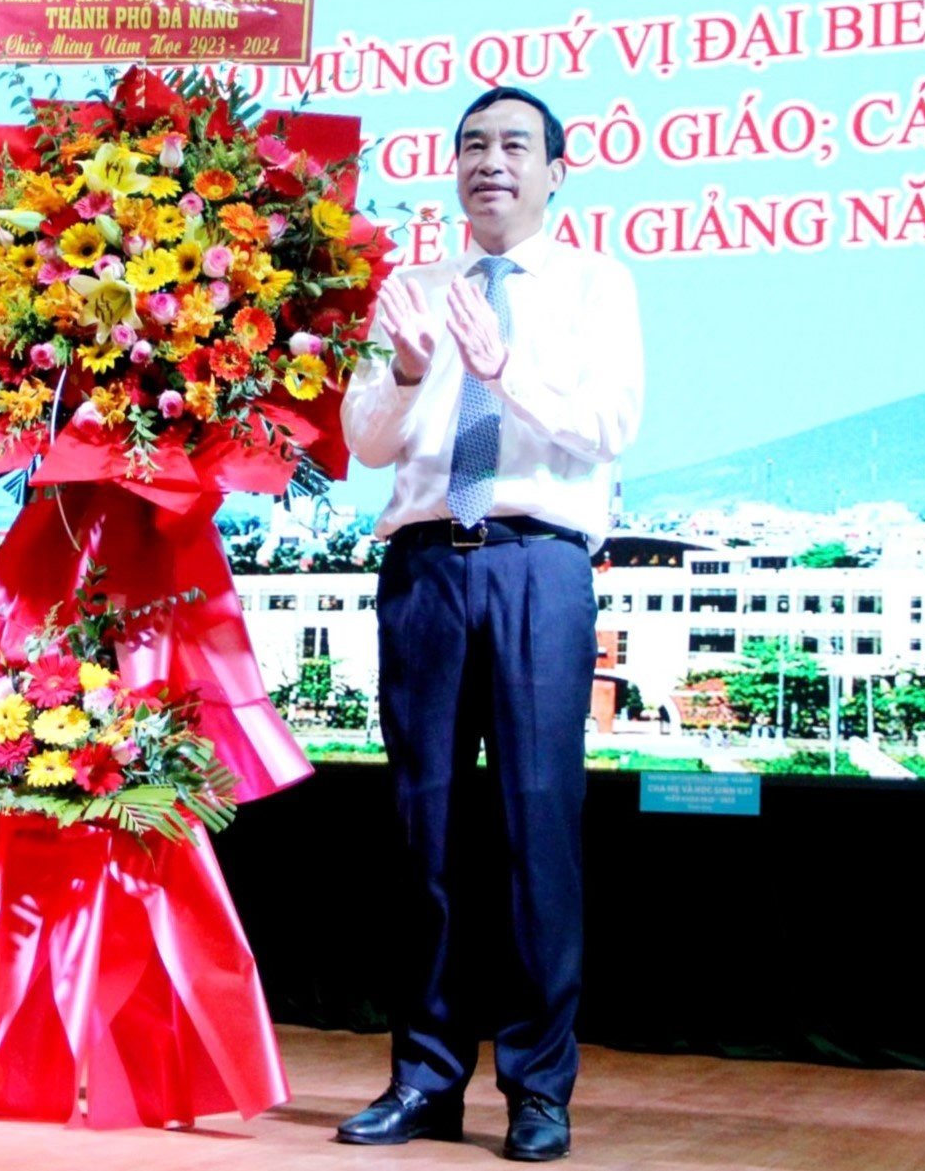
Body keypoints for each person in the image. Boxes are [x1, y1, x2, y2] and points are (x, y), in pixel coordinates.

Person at [337, 86, 643, 1161]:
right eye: (470, 145)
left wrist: (507, 374)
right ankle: (422, 1077)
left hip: (534, 565)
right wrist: (414, 368)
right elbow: (365, 441)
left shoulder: (597, 285)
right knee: (420, 836)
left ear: (556, 169)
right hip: (425, 567)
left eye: (513, 145)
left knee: (533, 834)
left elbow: (610, 421)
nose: (488, 162)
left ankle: (535, 1088)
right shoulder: (409, 287)